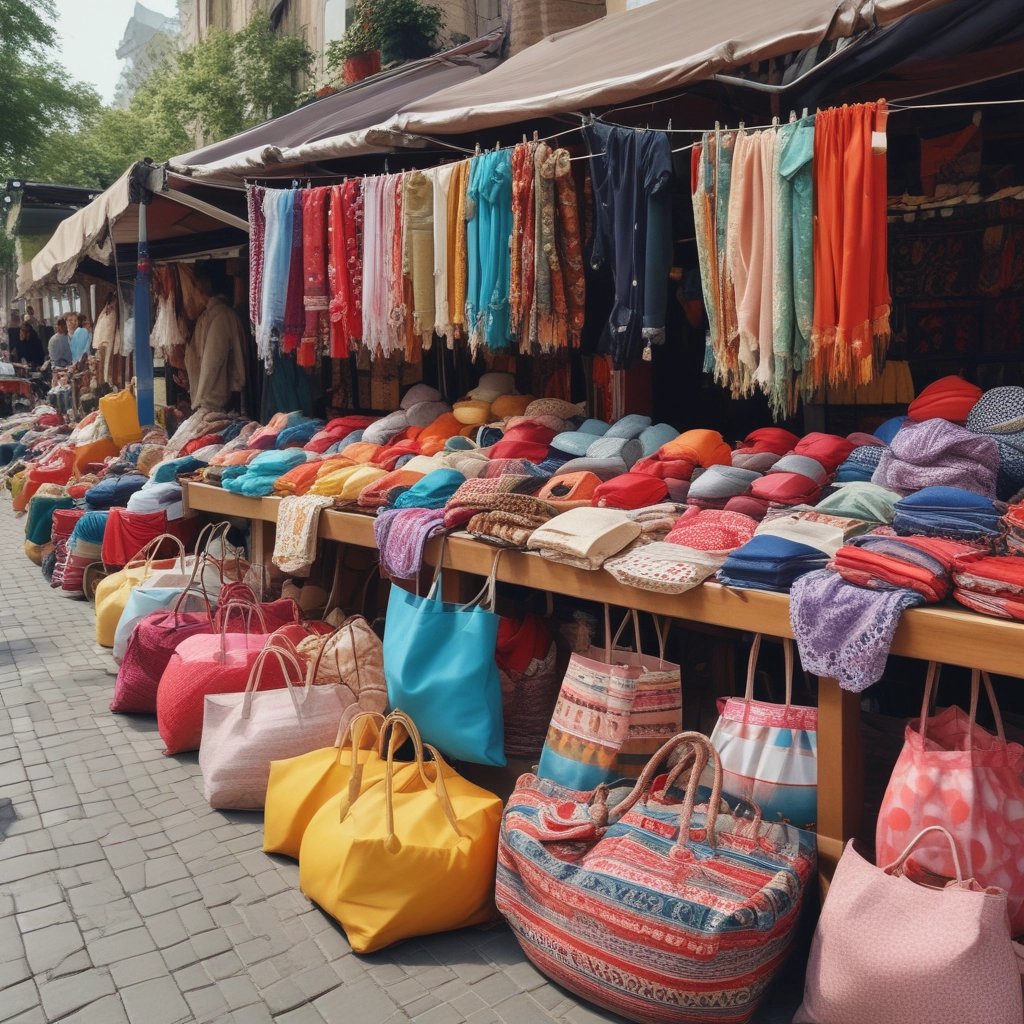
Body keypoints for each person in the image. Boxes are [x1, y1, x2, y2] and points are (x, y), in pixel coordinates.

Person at [186, 266, 246, 411]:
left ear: (202, 287)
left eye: (193, 287)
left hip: (220, 400)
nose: (192, 293)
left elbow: (212, 362)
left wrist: (200, 400)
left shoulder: (221, 316)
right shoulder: (206, 317)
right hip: (213, 399)